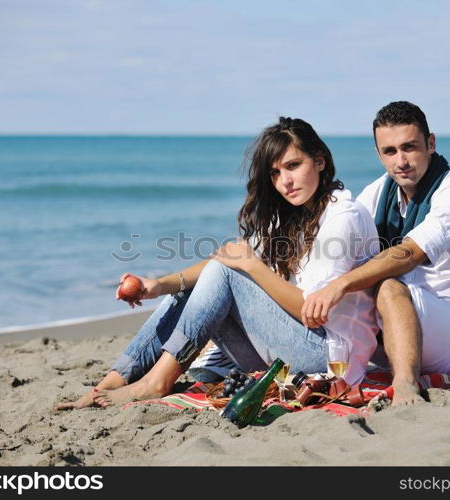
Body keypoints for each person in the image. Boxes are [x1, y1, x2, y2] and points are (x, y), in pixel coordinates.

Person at [56, 117, 379, 410]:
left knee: (229, 273)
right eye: (276, 173)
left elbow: (310, 311)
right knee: (198, 284)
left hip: (330, 357)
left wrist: (253, 267)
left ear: (319, 162)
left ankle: (158, 381)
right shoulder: (292, 214)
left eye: (293, 166)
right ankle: (115, 378)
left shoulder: (341, 217)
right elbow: (226, 260)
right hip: (290, 348)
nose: (285, 181)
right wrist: (158, 285)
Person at [301, 101, 450, 407]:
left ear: (430, 144)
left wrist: (339, 285)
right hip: (395, 327)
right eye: (389, 151)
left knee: (384, 284)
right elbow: (344, 237)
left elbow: (410, 253)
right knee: (340, 278)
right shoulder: (379, 191)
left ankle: (404, 385)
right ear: (379, 154)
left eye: (409, 147)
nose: (400, 160)